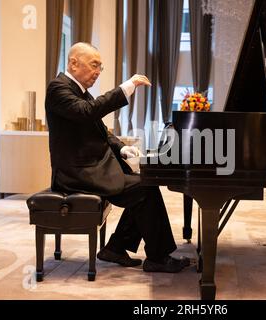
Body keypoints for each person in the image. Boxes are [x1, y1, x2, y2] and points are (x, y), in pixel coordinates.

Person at [45, 42, 189, 273]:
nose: (97, 72)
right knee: (145, 189)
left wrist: (122, 148)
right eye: (94, 65)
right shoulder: (58, 89)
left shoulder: (79, 92)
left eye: (100, 67)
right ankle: (158, 258)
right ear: (73, 63)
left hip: (89, 168)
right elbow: (87, 113)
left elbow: (100, 131)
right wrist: (125, 88)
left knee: (142, 189)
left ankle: (115, 248)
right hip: (75, 174)